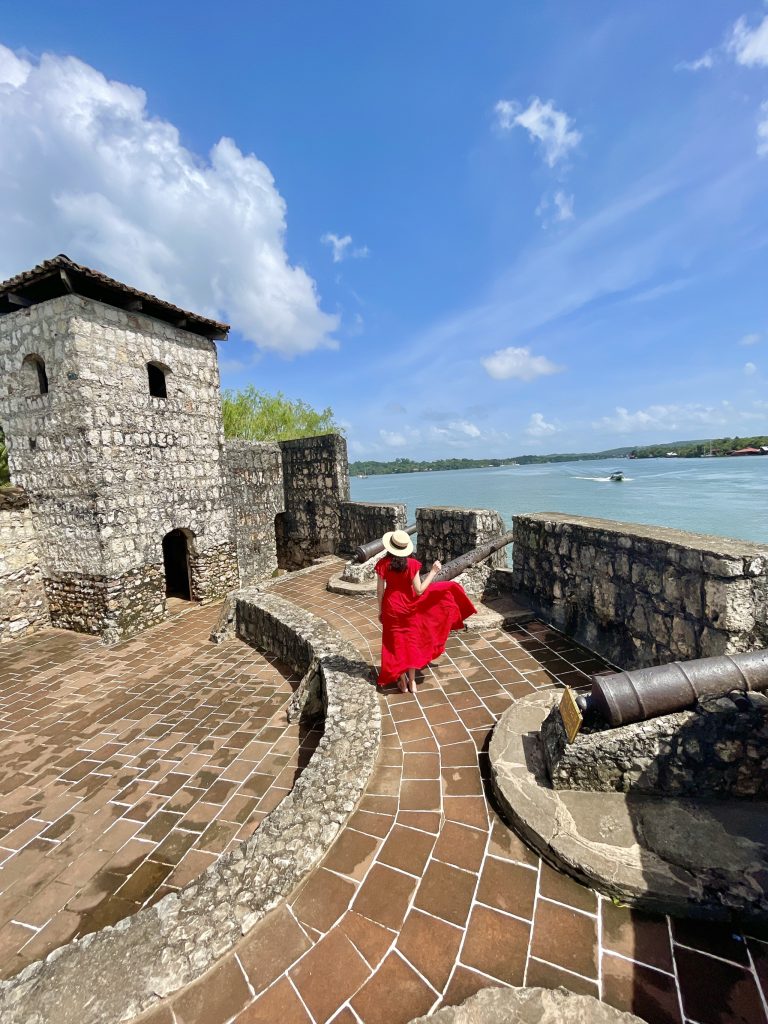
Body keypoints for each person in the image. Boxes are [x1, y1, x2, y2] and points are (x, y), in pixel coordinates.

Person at [375, 528, 477, 694]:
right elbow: (420, 589)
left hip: (391, 607)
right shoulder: (412, 564)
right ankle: (413, 683)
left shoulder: (382, 565)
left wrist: (380, 611)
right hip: (408, 607)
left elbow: (380, 591)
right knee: (410, 643)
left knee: (395, 644)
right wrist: (433, 572)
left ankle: (402, 681)